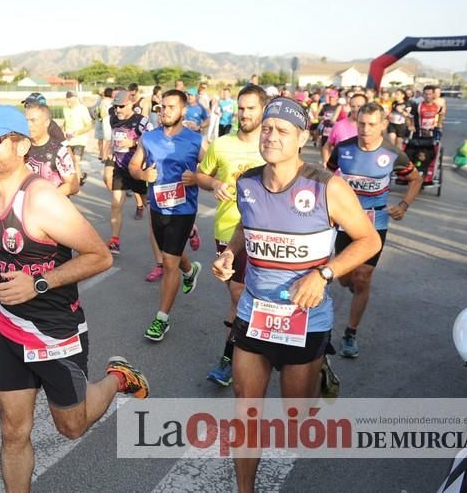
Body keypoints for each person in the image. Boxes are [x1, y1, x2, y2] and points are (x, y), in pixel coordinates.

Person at [0, 105, 149, 491]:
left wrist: (39, 284)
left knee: (71, 427)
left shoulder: (42, 199)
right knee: (13, 433)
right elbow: (4, 251)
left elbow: (100, 256)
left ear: (21, 144)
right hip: (11, 331)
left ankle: (118, 378)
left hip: (56, 334)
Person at [211, 98, 381, 493]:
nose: (271, 136)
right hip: (255, 312)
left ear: (302, 138)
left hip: (304, 317)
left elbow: (368, 239)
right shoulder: (247, 182)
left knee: (296, 418)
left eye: (282, 131)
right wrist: (230, 255)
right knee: (246, 407)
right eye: (267, 128)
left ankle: (318, 367)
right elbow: (246, 229)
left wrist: (324, 274)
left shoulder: (326, 186)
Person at [326, 101, 422, 358]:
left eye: (371, 125)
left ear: (383, 125)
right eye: (361, 124)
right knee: (344, 277)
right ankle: (352, 286)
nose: (365, 129)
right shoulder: (343, 149)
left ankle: (350, 333)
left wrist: (404, 204)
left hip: (375, 225)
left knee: (362, 278)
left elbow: (416, 179)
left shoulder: (392, 154)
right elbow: (328, 176)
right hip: (345, 224)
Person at [196, 85, 268, 386]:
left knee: (264, 296)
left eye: (251, 108)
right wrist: (213, 184)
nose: (244, 114)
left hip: (267, 233)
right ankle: (231, 357)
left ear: (264, 109)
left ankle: (265, 351)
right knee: (238, 296)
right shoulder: (221, 144)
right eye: (241, 108)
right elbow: (201, 174)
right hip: (228, 231)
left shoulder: (272, 144)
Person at [128, 89, 203, 342]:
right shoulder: (149, 139)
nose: (165, 111)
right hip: (158, 207)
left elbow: (213, 167)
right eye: (162, 107)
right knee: (172, 250)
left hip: (184, 209)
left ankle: (162, 320)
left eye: (171, 107)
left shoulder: (196, 140)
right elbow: (133, 166)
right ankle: (190, 270)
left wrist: (199, 178)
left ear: (183, 110)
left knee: (168, 262)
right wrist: (142, 175)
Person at [103, 91, 152, 252]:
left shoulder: (141, 121)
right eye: (116, 106)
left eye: (121, 106)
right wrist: (110, 153)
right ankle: (114, 240)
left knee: (148, 205)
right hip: (120, 168)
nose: (118, 109)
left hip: (137, 169)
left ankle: (160, 234)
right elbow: (113, 139)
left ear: (131, 103)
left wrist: (133, 142)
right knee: (116, 204)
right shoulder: (113, 119)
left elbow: (153, 139)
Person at [25, 103, 79, 196]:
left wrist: (46, 198)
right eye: (26, 120)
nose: (28, 125)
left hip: (51, 207)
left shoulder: (59, 150)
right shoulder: (21, 147)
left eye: (33, 120)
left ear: (47, 122)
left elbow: (73, 185)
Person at [321, 93, 366, 166]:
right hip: (340, 173)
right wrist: (326, 162)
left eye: (359, 106)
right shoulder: (339, 125)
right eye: (353, 106)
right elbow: (327, 145)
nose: (355, 109)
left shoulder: (370, 127)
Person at [62, 91, 93, 186]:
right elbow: (65, 122)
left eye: (70, 100)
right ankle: (81, 175)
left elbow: (89, 126)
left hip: (80, 140)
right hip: (68, 140)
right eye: (67, 100)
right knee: (70, 162)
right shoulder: (65, 108)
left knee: (75, 161)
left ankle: (77, 184)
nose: (68, 102)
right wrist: (62, 130)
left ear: (75, 98)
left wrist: (76, 133)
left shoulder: (82, 109)